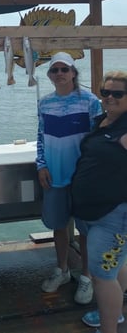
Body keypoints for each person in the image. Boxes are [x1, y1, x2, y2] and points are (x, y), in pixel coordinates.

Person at [36, 52, 102, 304]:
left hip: (83, 179)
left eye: (65, 69)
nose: (60, 74)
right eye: (55, 70)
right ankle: (62, 270)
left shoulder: (90, 101)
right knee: (59, 226)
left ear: (74, 73)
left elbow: (97, 141)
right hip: (54, 176)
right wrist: (41, 165)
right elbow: (41, 137)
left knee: (86, 230)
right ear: (50, 75)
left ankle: (86, 276)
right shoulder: (44, 103)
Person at [71, 70, 127, 333]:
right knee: (117, 267)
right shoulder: (102, 121)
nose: (110, 98)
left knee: (102, 277)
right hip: (91, 212)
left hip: (113, 215)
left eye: (118, 93)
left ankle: (109, 329)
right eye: (106, 92)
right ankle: (113, 313)